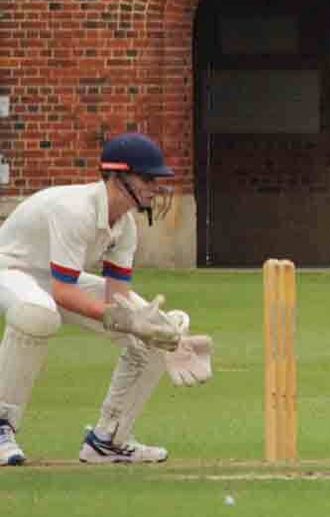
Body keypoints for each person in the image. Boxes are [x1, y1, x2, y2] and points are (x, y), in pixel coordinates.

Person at [0, 132, 213, 466]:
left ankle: (108, 440)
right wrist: (119, 318)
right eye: (147, 179)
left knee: (154, 332)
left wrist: (168, 339)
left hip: (52, 279)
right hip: (10, 270)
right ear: (118, 176)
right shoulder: (74, 210)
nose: (155, 188)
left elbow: (117, 303)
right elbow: (64, 293)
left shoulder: (125, 227)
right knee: (38, 314)